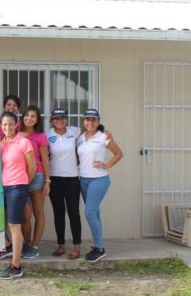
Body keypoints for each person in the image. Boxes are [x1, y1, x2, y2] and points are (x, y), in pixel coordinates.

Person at [77, 108, 123, 262]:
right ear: (84, 121)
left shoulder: (104, 137)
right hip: (83, 180)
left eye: (93, 120)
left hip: (99, 180)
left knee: (89, 213)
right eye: (87, 119)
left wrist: (106, 165)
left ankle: (99, 248)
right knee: (95, 213)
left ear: (98, 122)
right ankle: (98, 244)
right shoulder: (80, 137)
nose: (90, 122)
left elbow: (119, 153)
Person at [0, 111, 36, 280]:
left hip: (17, 187)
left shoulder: (24, 142)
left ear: (16, 124)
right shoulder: (0, 143)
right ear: (1, 126)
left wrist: (24, 184)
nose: (7, 127)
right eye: (4, 124)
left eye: (11, 124)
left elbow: (32, 168)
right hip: (4, 187)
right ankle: (9, 251)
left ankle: (15, 266)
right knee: (6, 224)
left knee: (14, 226)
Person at [46, 108, 82, 259]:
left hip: (72, 178)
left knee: (73, 212)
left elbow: (93, 129)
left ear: (66, 119)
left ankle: (76, 247)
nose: (59, 121)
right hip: (54, 179)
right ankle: (61, 245)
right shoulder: (47, 134)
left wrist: (105, 132)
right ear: (52, 120)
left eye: (62, 118)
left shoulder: (75, 131)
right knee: (58, 213)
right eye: (56, 118)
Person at [19, 105, 50, 259]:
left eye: (33, 116)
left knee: (38, 212)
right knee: (25, 215)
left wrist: (47, 180)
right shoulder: (16, 134)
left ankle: (35, 246)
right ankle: (26, 244)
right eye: (27, 115)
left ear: (37, 120)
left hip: (37, 177)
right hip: (20, 177)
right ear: (23, 116)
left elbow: (45, 160)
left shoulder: (40, 136)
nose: (29, 118)